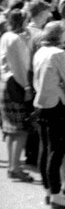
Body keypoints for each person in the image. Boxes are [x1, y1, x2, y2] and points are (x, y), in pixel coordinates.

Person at [32, 22, 65, 209]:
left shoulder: (39, 52)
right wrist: (60, 85)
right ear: (60, 36)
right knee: (56, 150)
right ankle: (57, 195)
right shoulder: (58, 54)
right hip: (56, 105)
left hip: (41, 103)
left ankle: (49, 191)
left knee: (45, 150)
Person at [1, 9, 34, 182]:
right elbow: (20, 66)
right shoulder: (16, 39)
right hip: (16, 84)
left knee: (11, 129)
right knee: (21, 130)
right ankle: (15, 167)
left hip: (5, 83)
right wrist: (27, 87)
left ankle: (13, 166)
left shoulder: (6, 36)